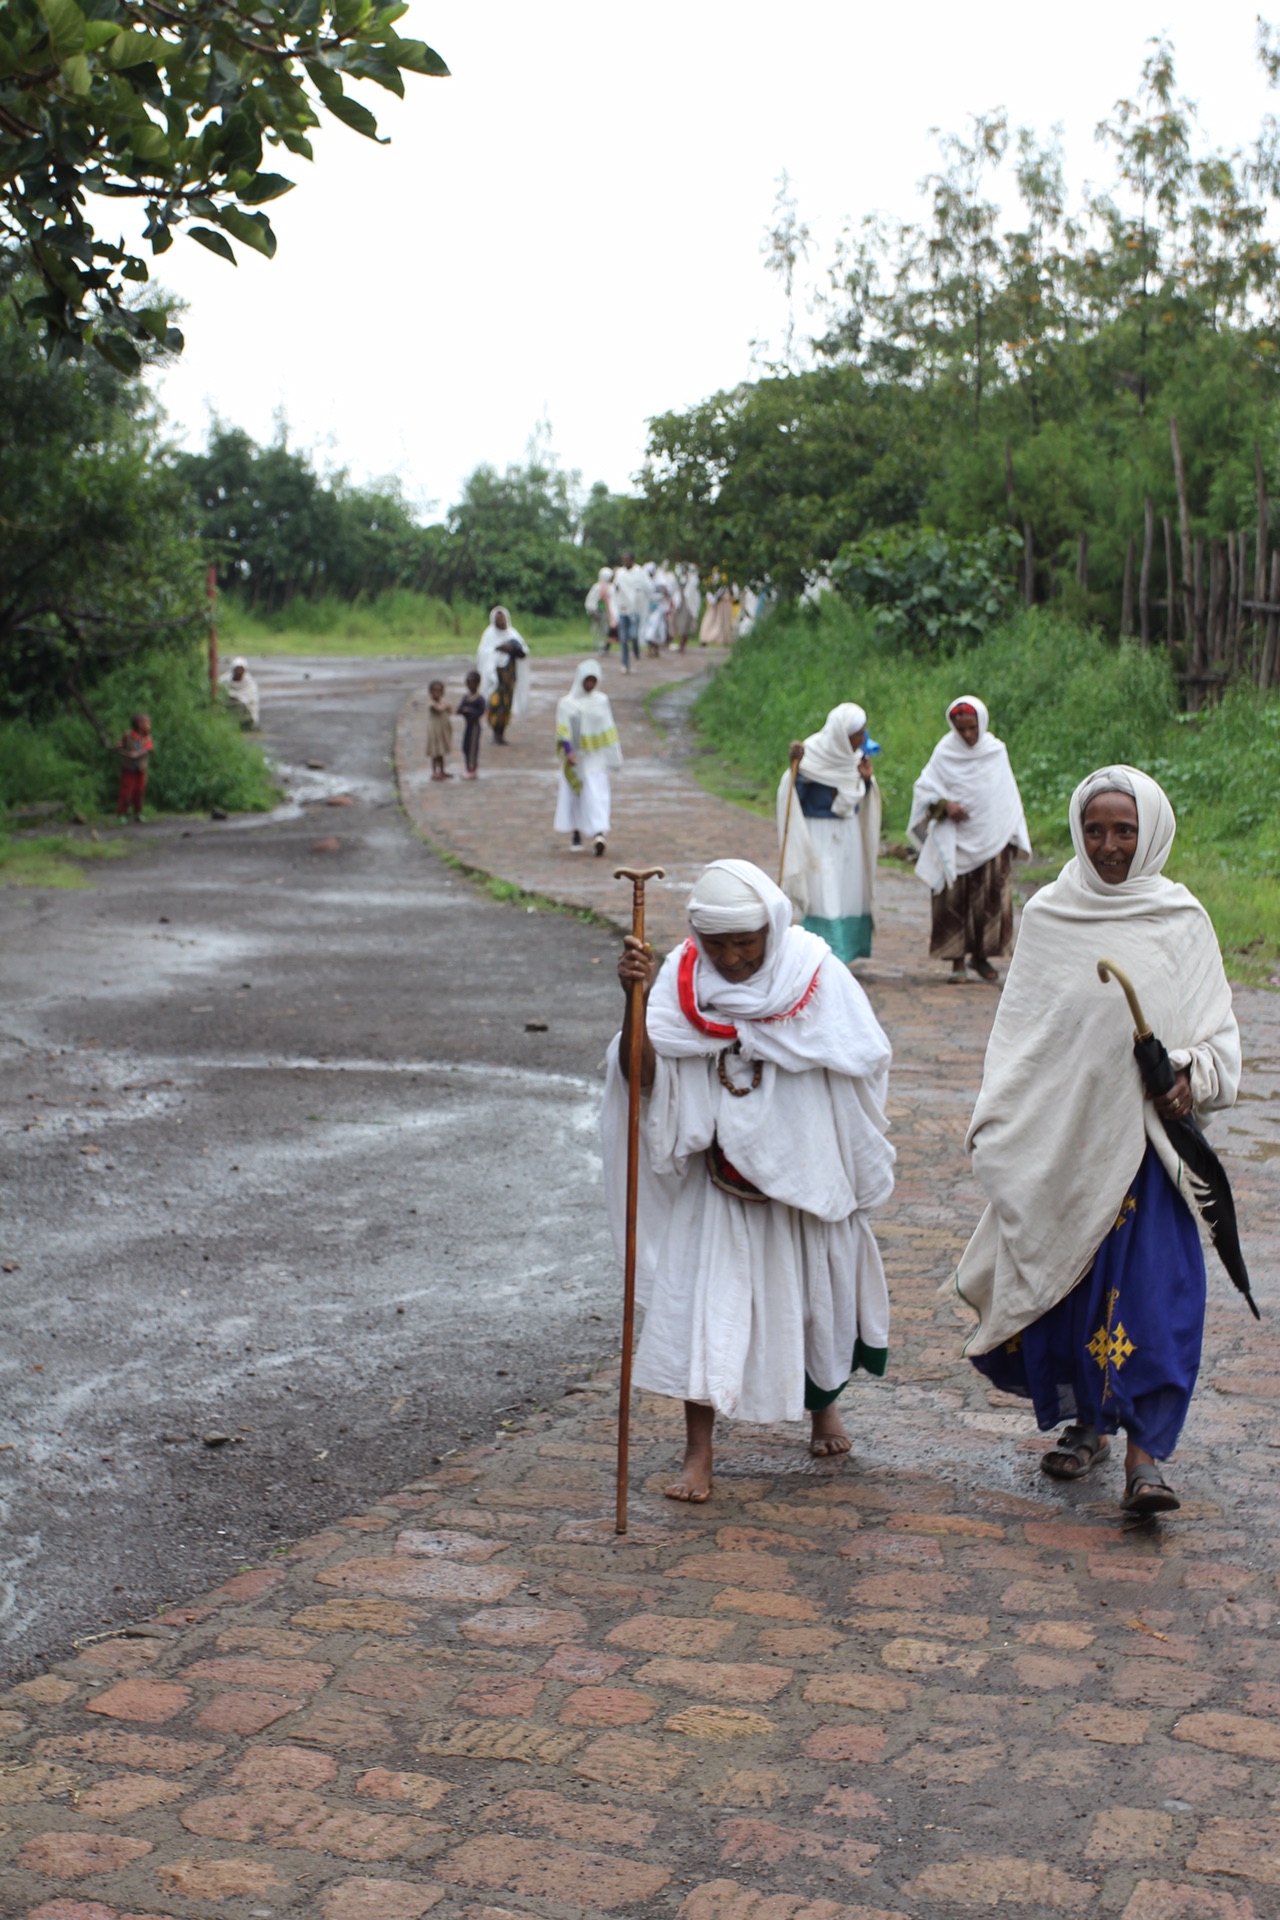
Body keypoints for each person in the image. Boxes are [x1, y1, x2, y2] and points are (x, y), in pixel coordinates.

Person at [955, 767, 1241, 1517]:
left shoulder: (1182, 921)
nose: (1109, 846)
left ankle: (1145, 1459)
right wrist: (1005, 1119)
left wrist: (1187, 1079)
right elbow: (1023, 1035)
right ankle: (1087, 1424)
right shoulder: (1051, 915)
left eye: (1124, 830)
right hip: (1068, 1148)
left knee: (1154, 1298)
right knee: (1075, 1294)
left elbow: (1219, 1041)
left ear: (1150, 831)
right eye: (1095, 829)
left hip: (1148, 1156)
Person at [604, 858, 895, 1501]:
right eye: (718, 945)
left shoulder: (816, 974)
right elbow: (643, 1080)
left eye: (746, 944)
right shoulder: (678, 985)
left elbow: (864, 1058)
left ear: (773, 927)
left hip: (806, 1172)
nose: (733, 960)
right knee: (702, 1307)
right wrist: (632, 997)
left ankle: (825, 1409)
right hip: (719, 1178)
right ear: (696, 938)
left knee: (817, 1302)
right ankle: (698, 1455)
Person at [909, 696, 1031, 983]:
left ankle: (982, 956)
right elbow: (924, 790)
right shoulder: (944, 753)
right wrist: (945, 805)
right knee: (953, 899)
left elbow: (1007, 796)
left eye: (972, 728)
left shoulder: (995, 751)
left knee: (990, 898)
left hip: (993, 838)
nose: (967, 735)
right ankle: (956, 962)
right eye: (961, 729)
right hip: (955, 840)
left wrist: (1012, 835)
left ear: (982, 723)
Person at [777, 702, 881, 963]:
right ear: (841, 735)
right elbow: (793, 798)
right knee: (823, 891)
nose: (862, 739)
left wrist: (866, 781)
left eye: (863, 732)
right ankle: (822, 953)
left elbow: (861, 797)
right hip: (819, 833)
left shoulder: (856, 759)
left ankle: (844, 952)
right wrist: (796, 770)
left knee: (847, 890)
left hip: (849, 834)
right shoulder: (814, 755)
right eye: (857, 734)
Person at [554, 658, 621, 856]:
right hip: (576, 757)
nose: (590, 685)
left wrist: (613, 755)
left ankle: (599, 833)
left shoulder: (601, 702)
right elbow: (563, 730)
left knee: (597, 794)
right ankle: (576, 833)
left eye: (593, 681)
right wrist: (569, 752)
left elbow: (609, 728)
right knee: (575, 796)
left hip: (596, 757)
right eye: (587, 680)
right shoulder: (567, 704)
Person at [477, 607, 531, 744]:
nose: (500, 622)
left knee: (506, 707)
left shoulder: (512, 634)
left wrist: (511, 649)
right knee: (494, 705)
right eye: (497, 619)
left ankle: (501, 734)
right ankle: (495, 732)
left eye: (502, 619)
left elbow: (524, 652)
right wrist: (499, 649)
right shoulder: (489, 634)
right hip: (495, 680)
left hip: (509, 679)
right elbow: (484, 653)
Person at [611, 552, 647, 672]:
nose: (625, 563)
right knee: (624, 638)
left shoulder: (640, 572)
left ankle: (636, 651)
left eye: (627, 560)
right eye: (623, 560)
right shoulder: (620, 574)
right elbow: (615, 588)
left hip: (635, 610)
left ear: (632, 560)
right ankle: (625, 663)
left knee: (633, 635)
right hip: (623, 609)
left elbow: (646, 587)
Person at [115, 711, 153, 823]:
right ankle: (122, 813)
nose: (149, 725)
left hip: (140, 769)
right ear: (140, 724)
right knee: (126, 791)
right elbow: (121, 744)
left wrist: (136, 754)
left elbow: (147, 749)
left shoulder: (147, 738)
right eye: (147, 723)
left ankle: (138, 812)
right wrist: (117, 747)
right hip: (128, 769)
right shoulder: (128, 735)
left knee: (139, 791)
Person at [457, 671, 486, 780]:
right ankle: (467, 766)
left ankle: (472, 768)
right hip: (468, 725)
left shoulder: (479, 699)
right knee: (466, 747)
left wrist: (470, 711)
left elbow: (480, 712)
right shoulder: (466, 697)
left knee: (473, 747)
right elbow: (460, 708)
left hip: (474, 726)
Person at [221, 656, 260, 728]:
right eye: (237, 669)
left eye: (241, 670)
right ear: (233, 670)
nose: (239, 672)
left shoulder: (250, 683)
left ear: (244, 671)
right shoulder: (224, 681)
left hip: (244, 711)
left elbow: (252, 701)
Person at [426, 680, 453, 780]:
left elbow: (450, 711)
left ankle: (442, 771)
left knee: (441, 753)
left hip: (442, 731)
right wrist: (446, 706)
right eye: (434, 691)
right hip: (434, 731)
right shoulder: (431, 703)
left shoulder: (442, 702)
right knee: (435, 752)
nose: (436, 693)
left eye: (439, 691)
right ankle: (434, 772)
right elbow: (439, 709)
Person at [586, 567, 617, 653]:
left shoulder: (612, 587)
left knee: (608, 630)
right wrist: (592, 610)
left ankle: (606, 647)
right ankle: (598, 646)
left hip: (609, 612)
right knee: (599, 630)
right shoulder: (597, 587)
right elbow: (591, 599)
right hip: (599, 611)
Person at [699, 575, 736, 648]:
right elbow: (708, 589)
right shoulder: (712, 578)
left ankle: (725, 639)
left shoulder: (726, 578)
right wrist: (713, 598)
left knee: (725, 622)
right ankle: (705, 638)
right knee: (709, 620)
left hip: (723, 602)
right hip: (715, 603)